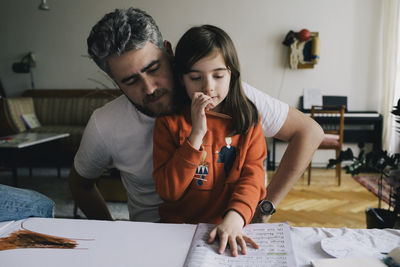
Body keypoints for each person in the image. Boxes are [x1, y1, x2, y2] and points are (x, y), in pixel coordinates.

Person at [68, 7, 323, 222]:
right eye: (131, 80)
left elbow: (309, 132)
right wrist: (110, 231)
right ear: (115, 81)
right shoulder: (105, 124)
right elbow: (80, 184)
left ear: (169, 52)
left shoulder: (229, 97)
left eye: (154, 68)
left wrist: (263, 209)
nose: (150, 88)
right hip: (156, 234)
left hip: (229, 227)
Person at [153, 25, 267, 256]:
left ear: (231, 74)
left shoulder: (247, 120)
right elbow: (169, 191)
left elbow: (252, 178)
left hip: (228, 226)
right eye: (196, 77)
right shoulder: (168, 123)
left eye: (218, 75)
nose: (208, 87)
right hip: (176, 231)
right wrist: (196, 134)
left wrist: (234, 218)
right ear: (182, 79)